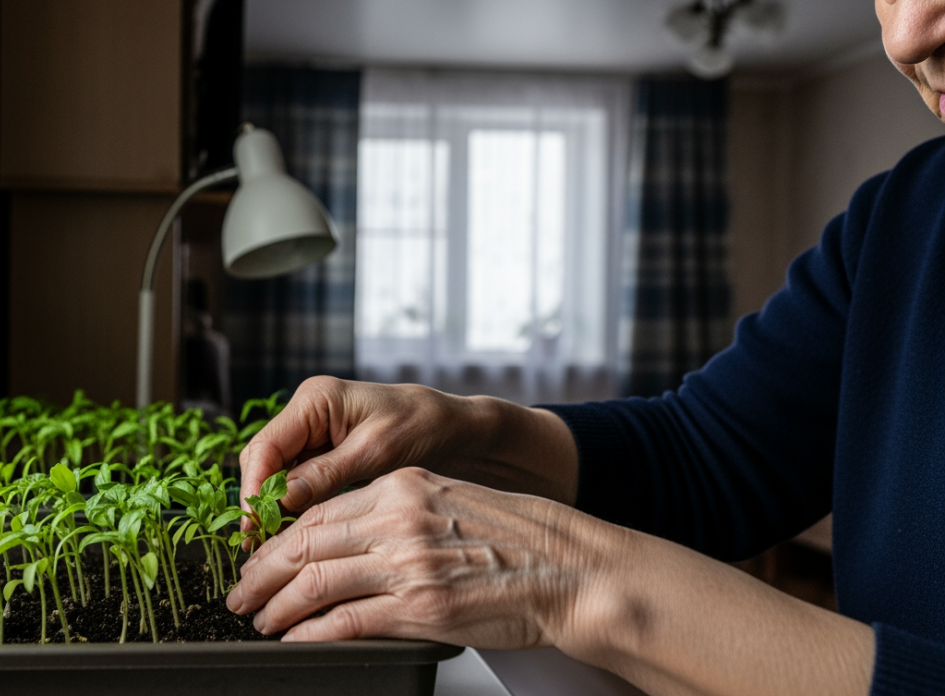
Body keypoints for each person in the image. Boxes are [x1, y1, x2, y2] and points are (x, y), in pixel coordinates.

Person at [225, 1, 945, 694]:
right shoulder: (903, 216)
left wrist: (569, 576)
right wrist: (467, 428)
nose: (906, 36)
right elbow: (703, 457)